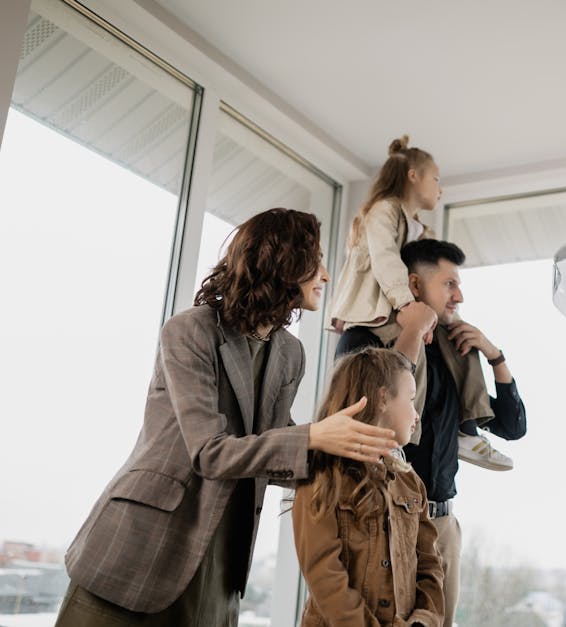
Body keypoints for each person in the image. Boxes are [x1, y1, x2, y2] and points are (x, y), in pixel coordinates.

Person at [55, 208, 399, 627]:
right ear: (284, 261)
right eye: (317, 261)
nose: (325, 275)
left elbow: (273, 448)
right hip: (139, 544)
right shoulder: (190, 331)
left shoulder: (290, 353)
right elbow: (210, 452)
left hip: (222, 557)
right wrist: (313, 437)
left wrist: (351, 451)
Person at [335, 239, 527, 626]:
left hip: (442, 526)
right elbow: (367, 420)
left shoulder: (454, 353)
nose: (459, 296)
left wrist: (494, 355)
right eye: (449, 284)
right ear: (415, 285)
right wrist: (412, 331)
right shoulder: (364, 340)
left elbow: (512, 426)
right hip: (383, 521)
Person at [329, 134, 513, 471]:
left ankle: (467, 431)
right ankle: (406, 437)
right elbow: (386, 260)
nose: (440, 189)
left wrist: (446, 321)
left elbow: (425, 275)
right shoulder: (384, 211)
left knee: (459, 338)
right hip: (379, 312)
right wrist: (408, 306)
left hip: (400, 308)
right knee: (416, 360)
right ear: (413, 176)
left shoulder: (420, 229)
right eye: (436, 179)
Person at [292, 347, 444, 627]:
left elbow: (430, 567)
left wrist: (422, 621)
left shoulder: (411, 483)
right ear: (383, 398)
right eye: (411, 399)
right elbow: (325, 577)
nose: (417, 415)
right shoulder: (322, 477)